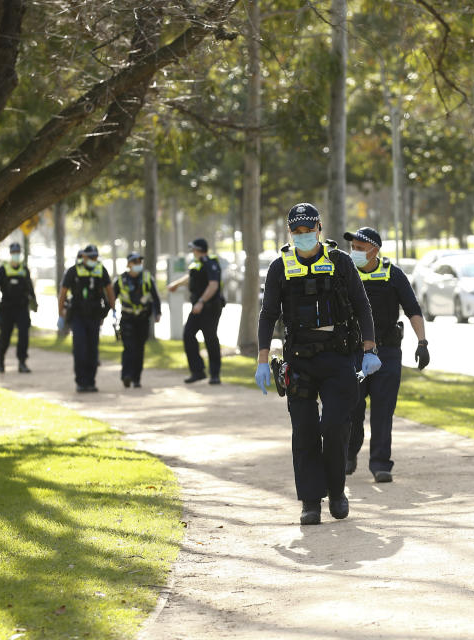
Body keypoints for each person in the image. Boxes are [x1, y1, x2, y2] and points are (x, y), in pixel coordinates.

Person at [254, 203, 380, 525]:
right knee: (305, 431)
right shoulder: (279, 267)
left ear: (319, 229)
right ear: (290, 234)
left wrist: (370, 349)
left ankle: (337, 492)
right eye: (296, 232)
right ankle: (310, 502)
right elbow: (268, 314)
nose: (303, 237)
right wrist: (263, 360)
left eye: (308, 231)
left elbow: (362, 306)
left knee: (335, 426)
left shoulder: (339, 262)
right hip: (299, 360)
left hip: (338, 357)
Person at [343, 226, 429, 483]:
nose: (355, 252)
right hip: (354, 353)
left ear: (374, 250)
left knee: (383, 410)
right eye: (353, 247)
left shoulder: (393, 274)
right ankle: (348, 454)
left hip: (387, 352)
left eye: (360, 247)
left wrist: (422, 342)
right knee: (352, 408)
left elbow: (413, 309)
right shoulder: (345, 273)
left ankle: (381, 464)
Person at [57, 245, 115, 393]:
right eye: (90, 257)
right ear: (83, 257)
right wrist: (60, 315)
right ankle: (81, 382)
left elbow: (109, 291)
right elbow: (63, 293)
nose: (93, 260)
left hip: (94, 316)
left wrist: (113, 310)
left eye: (95, 257)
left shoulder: (100, 270)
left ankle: (91, 381)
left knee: (92, 349)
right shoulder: (73, 271)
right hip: (77, 316)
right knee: (80, 348)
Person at [168, 238, 223, 384]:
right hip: (198, 307)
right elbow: (191, 277)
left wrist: (201, 301)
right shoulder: (198, 263)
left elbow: (213, 285)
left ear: (198, 249)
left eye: (193, 249)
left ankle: (215, 375)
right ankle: (197, 371)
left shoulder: (210, 263)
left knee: (210, 338)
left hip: (209, 307)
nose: (192, 251)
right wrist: (176, 284)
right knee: (188, 334)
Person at [114, 252, 161, 388]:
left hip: (143, 318)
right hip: (127, 318)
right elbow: (111, 297)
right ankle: (126, 375)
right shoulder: (121, 280)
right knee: (128, 347)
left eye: (139, 262)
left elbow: (155, 296)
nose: (137, 265)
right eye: (134, 262)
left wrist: (157, 313)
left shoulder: (147, 278)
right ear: (128, 264)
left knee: (139, 349)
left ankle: (136, 378)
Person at [0, 241, 36, 373]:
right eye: (13, 253)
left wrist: (34, 303)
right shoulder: (3, 269)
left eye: (17, 253)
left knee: (23, 335)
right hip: (7, 308)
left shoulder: (24, 269)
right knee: (5, 334)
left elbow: (30, 289)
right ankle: (0, 360)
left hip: (22, 308)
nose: (16, 255)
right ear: (10, 254)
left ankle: (22, 362)